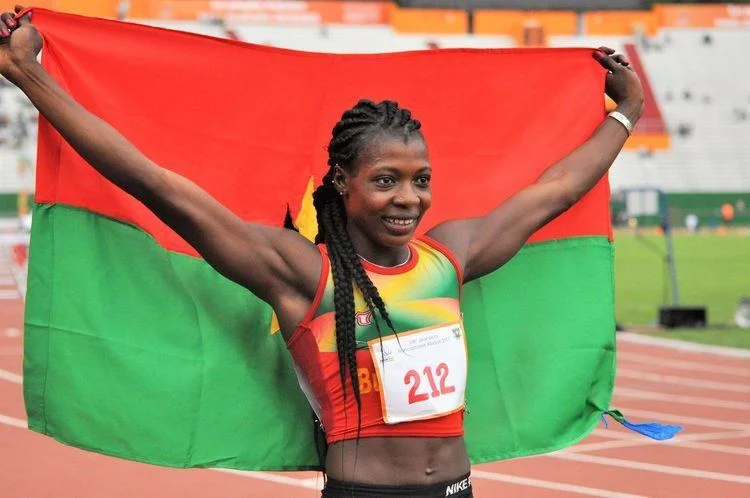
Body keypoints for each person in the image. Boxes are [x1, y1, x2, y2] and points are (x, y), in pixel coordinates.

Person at [0, 6, 643, 498]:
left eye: (420, 180)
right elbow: (153, 182)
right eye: (385, 180)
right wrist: (29, 75)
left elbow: (556, 191)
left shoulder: (449, 256)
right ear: (343, 182)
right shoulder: (302, 272)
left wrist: (625, 114)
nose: (408, 199)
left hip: (456, 488)